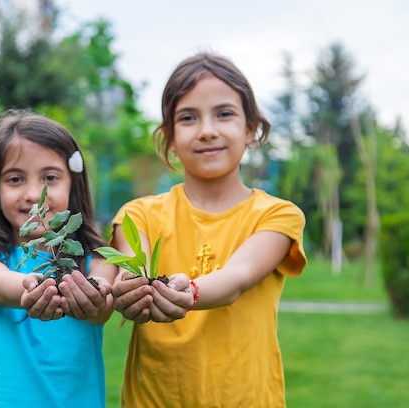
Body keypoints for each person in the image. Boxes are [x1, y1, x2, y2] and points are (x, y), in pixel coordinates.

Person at [109, 52, 307, 407]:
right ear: (169, 137)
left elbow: (238, 276)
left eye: (224, 113)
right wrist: (126, 293)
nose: (207, 131)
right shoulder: (137, 215)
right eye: (188, 118)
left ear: (251, 129)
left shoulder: (277, 215)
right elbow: (128, 273)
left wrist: (189, 293)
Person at [0, 109, 117, 408]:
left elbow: (100, 306)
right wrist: (30, 286)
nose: (34, 194)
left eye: (50, 177)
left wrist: (93, 292)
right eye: (15, 179)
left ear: (74, 185)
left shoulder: (96, 261)